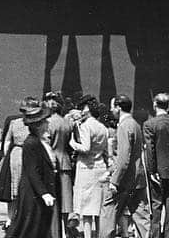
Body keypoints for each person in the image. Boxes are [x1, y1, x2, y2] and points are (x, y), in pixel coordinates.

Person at [5, 101, 56, 238]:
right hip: (32, 194)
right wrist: (44, 193)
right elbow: (32, 171)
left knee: (34, 229)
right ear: (38, 125)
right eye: (45, 121)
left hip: (35, 194)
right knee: (28, 229)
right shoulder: (31, 143)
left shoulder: (37, 141)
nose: (48, 124)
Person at [102, 95, 150, 238]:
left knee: (108, 215)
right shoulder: (135, 124)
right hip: (137, 179)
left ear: (118, 107)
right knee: (142, 219)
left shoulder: (124, 126)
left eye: (112, 106)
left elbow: (123, 158)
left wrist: (114, 180)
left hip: (124, 181)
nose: (111, 110)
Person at [70, 95, 110, 238]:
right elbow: (106, 152)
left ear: (88, 109)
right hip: (100, 168)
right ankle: (99, 235)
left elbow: (85, 148)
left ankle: (87, 235)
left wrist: (72, 143)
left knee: (87, 209)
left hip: (87, 168)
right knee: (98, 207)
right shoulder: (103, 128)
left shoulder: (86, 126)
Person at [44, 93, 74, 237]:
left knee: (54, 200)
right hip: (66, 162)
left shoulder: (48, 123)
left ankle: (55, 232)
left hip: (52, 162)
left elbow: (46, 144)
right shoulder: (67, 123)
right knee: (66, 201)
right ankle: (66, 231)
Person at [144, 92, 169, 238]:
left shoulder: (149, 124)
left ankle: (155, 235)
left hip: (158, 171)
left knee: (156, 205)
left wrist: (152, 171)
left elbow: (150, 151)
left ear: (154, 105)